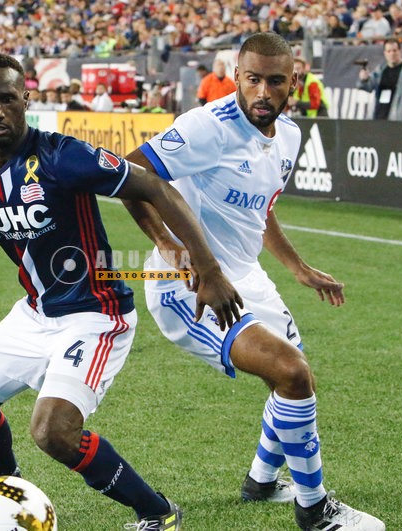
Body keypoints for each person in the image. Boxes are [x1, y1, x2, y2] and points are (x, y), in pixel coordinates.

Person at [0, 53, 242, 531]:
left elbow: (153, 187)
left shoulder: (62, 156)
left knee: (53, 432)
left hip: (96, 314)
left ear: (26, 99)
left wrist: (206, 267)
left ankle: (158, 512)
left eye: (7, 98)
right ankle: (10, 500)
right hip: (36, 313)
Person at [122, 33, 386, 531]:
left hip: (247, 276)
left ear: (294, 82)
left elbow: (261, 210)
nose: (263, 92)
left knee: (295, 380)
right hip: (189, 288)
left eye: (275, 81)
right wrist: (168, 246)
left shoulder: (288, 136)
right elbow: (130, 172)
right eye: (253, 79)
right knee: (291, 373)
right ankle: (314, 510)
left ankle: (261, 482)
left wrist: (298, 268)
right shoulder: (207, 127)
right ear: (238, 77)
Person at [357, 38, 402, 121]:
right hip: (378, 120)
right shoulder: (381, 70)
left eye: (394, 50)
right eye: (389, 51)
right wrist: (364, 79)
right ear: (385, 53)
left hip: (398, 123)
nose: (392, 54)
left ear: (400, 51)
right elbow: (368, 87)